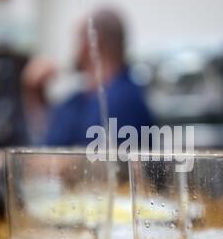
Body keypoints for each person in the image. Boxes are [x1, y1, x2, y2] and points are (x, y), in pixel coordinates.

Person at [38, 8, 153, 146]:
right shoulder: (87, 97)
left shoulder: (121, 102)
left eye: (78, 40)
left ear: (91, 43)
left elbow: (63, 151)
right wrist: (38, 94)